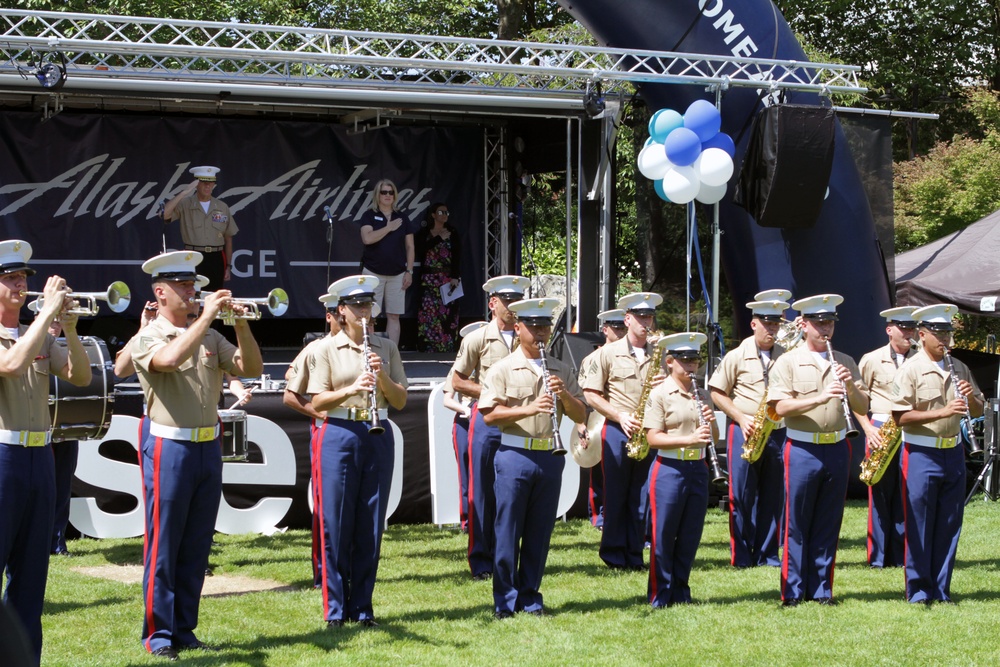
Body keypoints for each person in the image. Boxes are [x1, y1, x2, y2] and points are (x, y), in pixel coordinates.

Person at [130, 250, 262, 659]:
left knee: (197, 543)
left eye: (194, 285)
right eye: (184, 286)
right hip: (169, 443)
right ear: (160, 291)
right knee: (165, 542)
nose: (193, 291)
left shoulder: (209, 336)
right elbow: (167, 361)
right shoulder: (149, 335)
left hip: (207, 444)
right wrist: (206, 317)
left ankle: (184, 628)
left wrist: (239, 324)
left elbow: (251, 367)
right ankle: (159, 633)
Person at [0, 240, 91, 665]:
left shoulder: (35, 333)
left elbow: (80, 375)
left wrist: (69, 327)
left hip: (40, 458)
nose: (20, 285)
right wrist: (45, 315)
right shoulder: (17, 337)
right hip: (3, 457)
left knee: (33, 574)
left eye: (23, 279)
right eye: (11, 279)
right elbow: (12, 364)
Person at [306, 275, 407, 628]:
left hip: (377, 432)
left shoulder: (385, 348)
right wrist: (352, 387)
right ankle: (335, 610)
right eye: (358, 306)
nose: (365, 312)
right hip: (339, 431)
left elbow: (401, 399)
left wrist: (380, 379)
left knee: (371, 522)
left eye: (369, 305)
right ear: (342, 311)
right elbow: (316, 399)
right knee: (336, 522)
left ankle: (363, 607)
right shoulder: (324, 349)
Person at [479, 297, 586, 619]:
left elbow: (581, 412)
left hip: (549, 457)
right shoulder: (502, 368)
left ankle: (531, 597)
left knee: (540, 532)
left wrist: (564, 394)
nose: (541, 333)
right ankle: (505, 600)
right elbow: (488, 415)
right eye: (534, 326)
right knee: (508, 530)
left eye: (545, 326)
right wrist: (529, 408)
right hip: (514, 454)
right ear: (518, 327)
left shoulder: (562, 368)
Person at [767, 294, 868, 606]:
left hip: (837, 447)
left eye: (830, 323)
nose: (826, 328)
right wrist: (821, 398)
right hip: (801, 448)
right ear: (804, 324)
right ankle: (793, 592)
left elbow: (864, 405)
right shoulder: (787, 361)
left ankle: (822, 590)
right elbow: (779, 407)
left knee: (828, 522)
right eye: (819, 323)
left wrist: (850, 388)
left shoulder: (846, 361)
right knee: (797, 524)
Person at [890, 304, 983, 605]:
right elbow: (899, 417)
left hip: (952, 452)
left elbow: (979, 410)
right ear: (922, 334)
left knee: (948, 524)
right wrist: (943, 411)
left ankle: (942, 591)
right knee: (919, 523)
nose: (946, 338)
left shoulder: (959, 367)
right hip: (921, 452)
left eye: (948, 332)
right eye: (939, 332)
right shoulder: (911, 369)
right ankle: (918, 591)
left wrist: (971, 398)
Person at [450, 275, 528, 579]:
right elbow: (457, 380)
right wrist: (488, 394)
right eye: (507, 301)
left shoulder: (530, 337)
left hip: (521, 422)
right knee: (481, 493)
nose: (512, 307)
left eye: (517, 301)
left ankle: (508, 558)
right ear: (493, 303)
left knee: (513, 493)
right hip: (487, 421)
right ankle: (482, 560)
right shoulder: (478, 338)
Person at [582, 291, 664, 571]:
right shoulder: (607, 353)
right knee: (616, 494)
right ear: (627, 319)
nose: (646, 322)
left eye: (649, 316)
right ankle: (614, 553)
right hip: (618, 430)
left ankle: (635, 552)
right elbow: (591, 393)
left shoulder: (660, 354)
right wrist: (619, 415)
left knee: (643, 495)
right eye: (641, 317)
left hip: (649, 431)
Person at [708, 295, 790, 568]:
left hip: (777, 431)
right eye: (766, 324)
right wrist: (741, 418)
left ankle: (767, 554)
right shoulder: (736, 356)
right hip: (744, 430)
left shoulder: (786, 356)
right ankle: (741, 555)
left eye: (776, 324)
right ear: (754, 324)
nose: (772, 329)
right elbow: (717, 392)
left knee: (772, 495)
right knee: (741, 494)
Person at [643, 332, 717, 607]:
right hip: (669, 468)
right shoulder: (660, 393)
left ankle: (681, 590)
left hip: (697, 467)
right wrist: (688, 439)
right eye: (685, 361)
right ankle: (660, 593)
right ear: (670, 361)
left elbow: (712, 436)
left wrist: (711, 420)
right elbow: (653, 438)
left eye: (695, 360)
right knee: (663, 534)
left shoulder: (703, 394)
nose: (691, 366)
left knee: (690, 533)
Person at [283, 290, 342, 588]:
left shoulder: (370, 346)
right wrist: (318, 414)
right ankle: (323, 572)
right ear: (329, 316)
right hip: (327, 431)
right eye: (339, 315)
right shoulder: (316, 348)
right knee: (325, 504)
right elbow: (289, 392)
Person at [857, 306, 919, 569]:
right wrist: (868, 430)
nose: (908, 333)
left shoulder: (921, 359)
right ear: (889, 329)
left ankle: (903, 554)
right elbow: (858, 400)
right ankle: (879, 557)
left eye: (911, 328)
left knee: (910, 493)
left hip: (914, 429)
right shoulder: (871, 359)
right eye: (903, 328)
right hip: (881, 428)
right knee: (881, 492)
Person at [577, 308, 627, 530]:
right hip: (598, 417)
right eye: (616, 328)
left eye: (623, 327)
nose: (621, 332)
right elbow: (584, 394)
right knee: (598, 469)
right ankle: (599, 515)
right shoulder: (593, 358)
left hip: (624, 416)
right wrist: (582, 423)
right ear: (605, 329)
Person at [442, 321, 488, 533]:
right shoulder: (458, 369)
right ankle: (467, 520)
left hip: (486, 417)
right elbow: (447, 399)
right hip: (465, 419)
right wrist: (464, 409)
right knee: (466, 472)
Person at [162, 166, 238, 291]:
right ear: (196, 184)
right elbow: (164, 215)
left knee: (214, 296)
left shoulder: (221, 206)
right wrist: (185, 192)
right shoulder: (186, 204)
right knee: (192, 294)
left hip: (216, 257)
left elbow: (228, 237)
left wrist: (228, 266)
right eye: (204, 182)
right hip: (193, 256)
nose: (208, 186)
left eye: (211, 182)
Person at [358, 179, 415, 346]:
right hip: (372, 272)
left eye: (391, 192)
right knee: (369, 315)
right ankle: (370, 354)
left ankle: (392, 355)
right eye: (384, 192)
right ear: (378, 194)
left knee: (394, 315)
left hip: (397, 273)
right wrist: (388, 227)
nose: (388, 195)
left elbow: (410, 247)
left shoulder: (402, 217)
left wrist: (409, 271)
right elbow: (367, 238)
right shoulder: (368, 215)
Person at [415, 202, 462, 352]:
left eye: (447, 213)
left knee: (447, 313)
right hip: (429, 279)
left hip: (447, 279)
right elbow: (419, 250)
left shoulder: (452, 232)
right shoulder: (424, 233)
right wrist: (438, 239)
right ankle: (428, 347)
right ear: (433, 215)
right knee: (429, 313)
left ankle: (447, 347)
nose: (445, 215)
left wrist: (455, 276)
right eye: (441, 212)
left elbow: (457, 256)